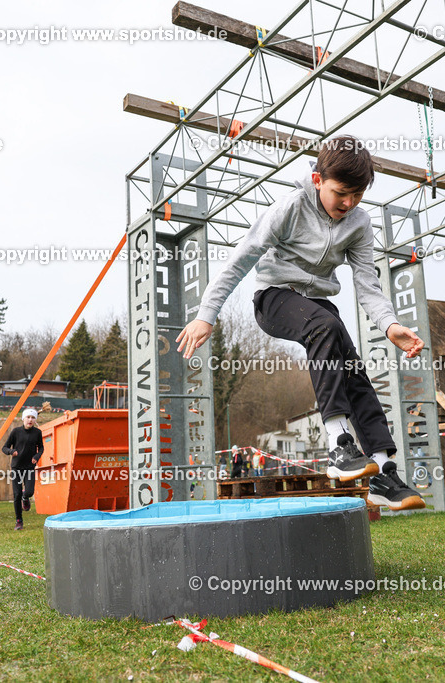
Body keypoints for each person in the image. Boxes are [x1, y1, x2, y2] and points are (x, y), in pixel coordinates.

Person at [176, 136, 426, 512]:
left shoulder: (359, 224)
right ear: (317, 180)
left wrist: (391, 326)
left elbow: (367, 285)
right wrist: (205, 315)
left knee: (352, 369)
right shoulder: (290, 208)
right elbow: (241, 259)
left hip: (318, 305)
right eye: (340, 193)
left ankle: (384, 471)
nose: (348, 203)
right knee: (326, 327)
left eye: (357, 195)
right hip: (274, 297)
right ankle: (339, 445)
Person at [3, 408, 44, 530]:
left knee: (29, 491)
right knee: (16, 494)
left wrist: (36, 456)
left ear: (35, 420)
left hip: (29, 467)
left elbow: (41, 448)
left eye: (32, 418)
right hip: (16, 467)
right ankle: (19, 521)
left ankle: (25, 498)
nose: (30, 420)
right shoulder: (16, 432)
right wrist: (11, 451)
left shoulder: (37, 432)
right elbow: (4, 447)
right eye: (28, 417)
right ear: (23, 418)